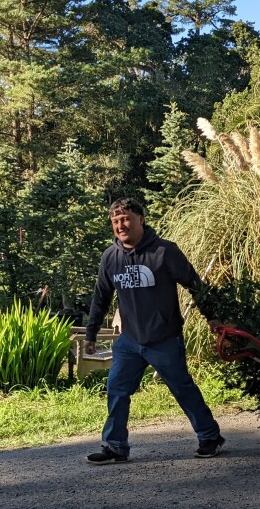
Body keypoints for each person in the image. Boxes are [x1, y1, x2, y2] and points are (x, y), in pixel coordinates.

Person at [85, 197, 224, 464]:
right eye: (115, 221)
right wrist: (91, 334)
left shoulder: (164, 251)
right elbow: (100, 297)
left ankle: (210, 436)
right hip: (130, 341)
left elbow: (194, 284)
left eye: (125, 219)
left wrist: (213, 317)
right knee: (116, 388)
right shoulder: (110, 257)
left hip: (163, 338)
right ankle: (115, 446)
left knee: (182, 388)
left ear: (141, 219)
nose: (120, 225)